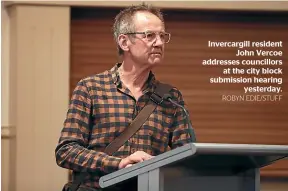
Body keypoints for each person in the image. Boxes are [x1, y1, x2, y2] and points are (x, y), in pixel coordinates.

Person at [55, 3, 195, 191]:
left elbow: (186, 159)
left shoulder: (171, 97)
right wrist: (118, 163)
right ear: (124, 42)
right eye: (149, 35)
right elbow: (66, 151)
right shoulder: (91, 88)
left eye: (162, 36)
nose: (160, 43)